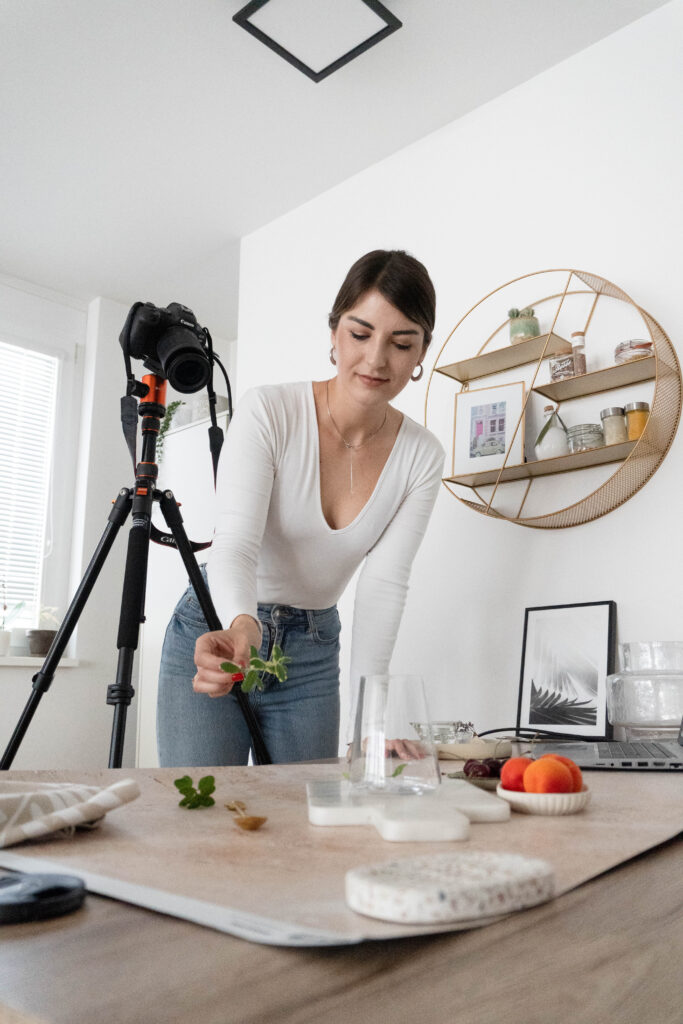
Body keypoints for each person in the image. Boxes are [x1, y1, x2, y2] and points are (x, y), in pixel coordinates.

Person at [156, 249, 445, 766]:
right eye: (360, 334)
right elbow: (236, 545)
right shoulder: (270, 411)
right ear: (334, 334)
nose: (377, 359)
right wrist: (243, 628)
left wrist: (370, 726)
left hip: (310, 654)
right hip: (220, 628)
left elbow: (384, 586)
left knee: (301, 824)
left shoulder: (421, 455)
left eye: (402, 343)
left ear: (421, 352)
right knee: (202, 818)